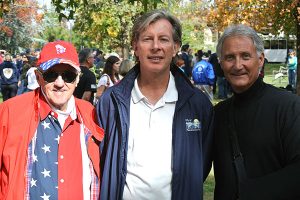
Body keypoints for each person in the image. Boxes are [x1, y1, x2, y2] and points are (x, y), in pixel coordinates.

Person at [96, 9, 214, 200]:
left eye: (164, 39)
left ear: (175, 46)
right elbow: (101, 161)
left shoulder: (198, 106)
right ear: (135, 46)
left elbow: (201, 164)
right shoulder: (111, 102)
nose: (156, 46)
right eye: (147, 39)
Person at [0, 40, 104, 199]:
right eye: (51, 75)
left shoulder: (91, 114)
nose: (60, 83)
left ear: (77, 79)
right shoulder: (10, 112)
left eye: (68, 76)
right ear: (38, 77)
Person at [213, 24, 300, 200]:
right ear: (221, 63)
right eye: (230, 57)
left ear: (260, 60)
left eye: (245, 56)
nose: (238, 65)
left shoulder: (288, 107)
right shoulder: (218, 114)